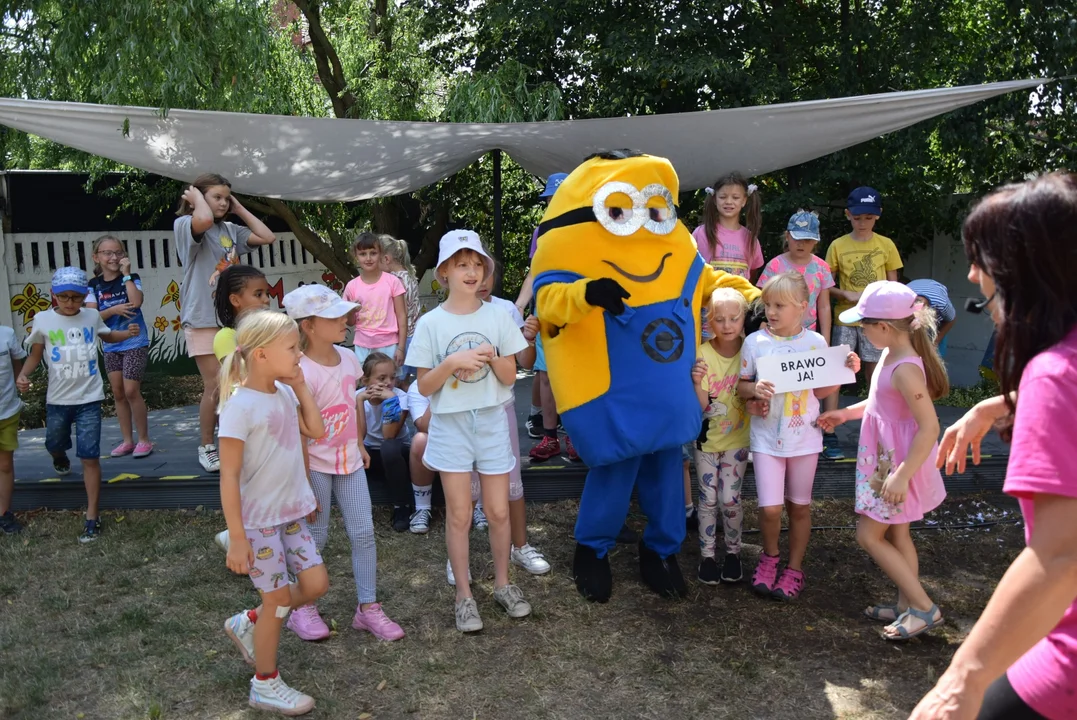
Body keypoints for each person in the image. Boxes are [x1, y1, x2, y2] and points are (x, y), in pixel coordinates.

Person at [531, 151, 761, 603]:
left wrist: (753, 298)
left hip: (666, 390)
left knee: (664, 469)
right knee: (614, 469)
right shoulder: (571, 246)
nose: (636, 220)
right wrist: (586, 292)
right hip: (613, 393)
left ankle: (661, 551)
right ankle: (592, 551)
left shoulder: (674, 245)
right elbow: (549, 302)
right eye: (618, 209)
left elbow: (708, 280)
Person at [911, 173, 1077, 720]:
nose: (974, 274)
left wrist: (963, 679)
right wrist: (999, 406)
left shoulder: (1054, 375)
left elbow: (1060, 554)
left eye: (982, 257)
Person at [405, 230, 531, 632]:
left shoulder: (498, 315)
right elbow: (424, 386)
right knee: (459, 514)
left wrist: (491, 359)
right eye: (462, 264)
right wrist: (453, 361)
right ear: (443, 272)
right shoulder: (430, 323)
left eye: (478, 264)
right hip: (450, 426)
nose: (472, 271)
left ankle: (503, 584)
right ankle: (464, 595)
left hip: (492, 421)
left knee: (496, 511)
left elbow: (511, 375)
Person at [817, 281, 949, 640]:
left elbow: (929, 426)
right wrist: (845, 414)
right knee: (898, 532)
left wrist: (902, 476)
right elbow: (880, 405)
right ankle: (907, 604)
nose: (862, 331)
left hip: (894, 466)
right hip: (886, 463)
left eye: (864, 326)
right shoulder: (891, 355)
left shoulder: (905, 368)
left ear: (885, 327)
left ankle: (924, 607)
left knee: (868, 535)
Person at [217, 310, 327, 716]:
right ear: (261, 355)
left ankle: (250, 620)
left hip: (291, 514)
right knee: (279, 602)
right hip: (259, 524)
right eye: (293, 348)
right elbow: (228, 477)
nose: (299, 354)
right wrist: (239, 537)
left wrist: (300, 387)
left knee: (315, 585)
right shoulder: (238, 408)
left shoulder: (282, 392)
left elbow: (315, 431)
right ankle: (264, 683)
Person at [283, 284, 404, 643]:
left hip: (349, 462)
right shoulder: (297, 370)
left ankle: (367, 608)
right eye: (335, 316)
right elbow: (298, 430)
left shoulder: (350, 359)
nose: (346, 320)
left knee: (364, 533)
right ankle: (302, 609)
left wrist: (359, 443)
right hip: (315, 467)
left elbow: (352, 404)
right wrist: (303, 479)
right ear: (308, 325)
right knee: (314, 536)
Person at [738, 272, 859, 601]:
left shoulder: (816, 343)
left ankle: (793, 568)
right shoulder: (755, 342)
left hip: (805, 439)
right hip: (766, 440)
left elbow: (820, 389)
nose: (771, 312)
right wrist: (753, 391)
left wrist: (845, 371)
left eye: (779, 305)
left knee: (800, 507)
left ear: (803, 308)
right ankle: (770, 556)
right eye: (767, 305)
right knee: (770, 509)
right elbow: (741, 386)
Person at [15, 267, 140, 542]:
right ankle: (59, 456)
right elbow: (36, 355)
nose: (70, 303)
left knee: (90, 456)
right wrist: (23, 375)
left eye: (76, 297)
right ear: (53, 296)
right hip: (58, 400)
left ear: (85, 296)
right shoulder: (43, 319)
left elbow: (106, 336)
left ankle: (92, 516)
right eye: (64, 297)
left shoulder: (92, 316)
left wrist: (128, 335)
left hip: (89, 399)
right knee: (54, 443)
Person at [174, 173, 276, 474]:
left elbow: (267, 237)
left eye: (226, 197)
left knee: (241, 384)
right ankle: (207, 446)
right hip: (204, 319)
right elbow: (202, 220)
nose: (223, 202)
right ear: (197, 198)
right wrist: (194, 199)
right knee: (217, 385)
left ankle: (237, 442)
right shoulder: (186, 226)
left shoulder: (230, 229)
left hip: (234, 321)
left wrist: (239, 208)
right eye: (217, 197)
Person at [820, 187, 902, 460]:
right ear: (848, 215)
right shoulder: (837, 246)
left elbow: (895, 285)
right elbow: (824, 284)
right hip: (846, 317)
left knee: (877, 372)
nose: (863, 222)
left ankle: (880, 428)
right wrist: (844, 294)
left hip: (877, 320)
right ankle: (828, 433)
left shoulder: (886, 244)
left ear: (878, 216)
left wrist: (891, 318)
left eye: (869, 217)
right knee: (837, 372)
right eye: (857, 217)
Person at [515, 174, 580, 463]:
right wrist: (519, 306)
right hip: (546, 310)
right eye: (550, 199)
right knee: (545, 375)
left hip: (578, 310)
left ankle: (578, 438)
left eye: (559, 197)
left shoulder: (586, 228)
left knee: (578, 375)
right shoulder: (541, 231)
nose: (555, 203)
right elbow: (535, 272)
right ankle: (550, 437)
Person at [691, 288, 752, 585]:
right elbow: (702, 406)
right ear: (708, 321)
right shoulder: (701, 353)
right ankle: (707, 557)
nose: (727, 325)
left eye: (733, 318)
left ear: (743, 319)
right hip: (706, 442)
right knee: (708, 499)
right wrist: (698, 381)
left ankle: (733, 554)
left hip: (737, 440)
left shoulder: (751, 349)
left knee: (730, 499)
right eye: (719, 319)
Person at [85, 235, 152, 458]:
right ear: (96, 257)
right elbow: (92, 316)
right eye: (107, 253)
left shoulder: (132, 277)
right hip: (111, 343)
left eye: (118, 252)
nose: (113, 257)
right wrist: (113, 311)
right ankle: (127, 441)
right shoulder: (93, 285)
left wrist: (126, 275)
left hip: (135, 341)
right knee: (118, 392)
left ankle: (144, 440)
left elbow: (137, 302)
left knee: (131, 390)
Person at [359, 352, 414, 532]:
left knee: (388, 447)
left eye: (392, 377)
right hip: (369, 454)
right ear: (366, 381)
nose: (389, 382)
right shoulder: (357, 396)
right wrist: (359, 402)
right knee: (352, 447)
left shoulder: (399, 396)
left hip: (398, 454)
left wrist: (390, 400)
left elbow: (389, 434)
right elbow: (359, 436)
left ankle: (402, 506)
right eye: (381, 378)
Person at [758, 210, 835, 337]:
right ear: (787, 236)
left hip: (808, 333)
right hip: (776, 331)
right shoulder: (774, 265)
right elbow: (762, 300)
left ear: (816, 240)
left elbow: (824, 306)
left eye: (807, 239)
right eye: (796, 238)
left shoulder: (822, 267)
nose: (801, 244)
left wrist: (825, 339)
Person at [343, 232, 407, 367]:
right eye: (362, 254)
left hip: (389, 344)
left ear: (381, 254)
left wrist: (401, 348)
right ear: (356, 256)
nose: (368, 258)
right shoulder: (351, 287)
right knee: (366, 384)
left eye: (373, 253)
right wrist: (351, 310)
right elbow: (350, 322)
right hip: (362, 345)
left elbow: (402, 316)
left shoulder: (393, 282)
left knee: (388, 384)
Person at [692, 171, 765, 283]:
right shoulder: (701, 233)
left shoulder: (751, 239)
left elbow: (752, 273)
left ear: (744, 200)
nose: (729, 202)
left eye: (735, 197)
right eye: (722, 197)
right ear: (715, 199)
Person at [212, 265, 273, 363]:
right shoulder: (226, 337)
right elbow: (238, 375)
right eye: (258, 294)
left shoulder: (270, 331)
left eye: (267, 294)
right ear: (235, 300)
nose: (266, 300)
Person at [381, 235, 421, 383]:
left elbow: (400, 314)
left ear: (386, 259)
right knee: (406, 383)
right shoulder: (408, 275)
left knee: (396, 382)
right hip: (414, 335)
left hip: (404, 338)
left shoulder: (396, 280)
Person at [0, 322, 27, 534]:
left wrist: (21, 383)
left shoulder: (6, 334)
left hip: (7, 411)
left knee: (5, 466)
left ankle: (4, 514)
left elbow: (18, 369)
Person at [906, 278, 957, 357]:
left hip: (938, 322)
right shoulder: (902, 300)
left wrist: (934, 343)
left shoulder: (942, 304)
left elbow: (952, 320)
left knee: (935, 355)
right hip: (913, 289)